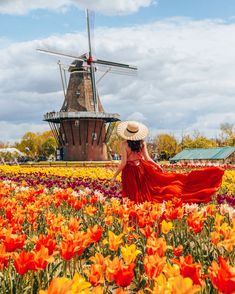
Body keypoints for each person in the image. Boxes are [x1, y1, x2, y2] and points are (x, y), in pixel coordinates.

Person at [111, 121, 224, 204]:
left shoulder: (124, 145)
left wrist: (114, 176)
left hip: (130, 171)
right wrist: (157, 165)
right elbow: (148, 158)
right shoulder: (142, 143)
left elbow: (123, 163)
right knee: (145, 191)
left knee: (134, 194)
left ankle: (135, 211)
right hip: (141, 168)